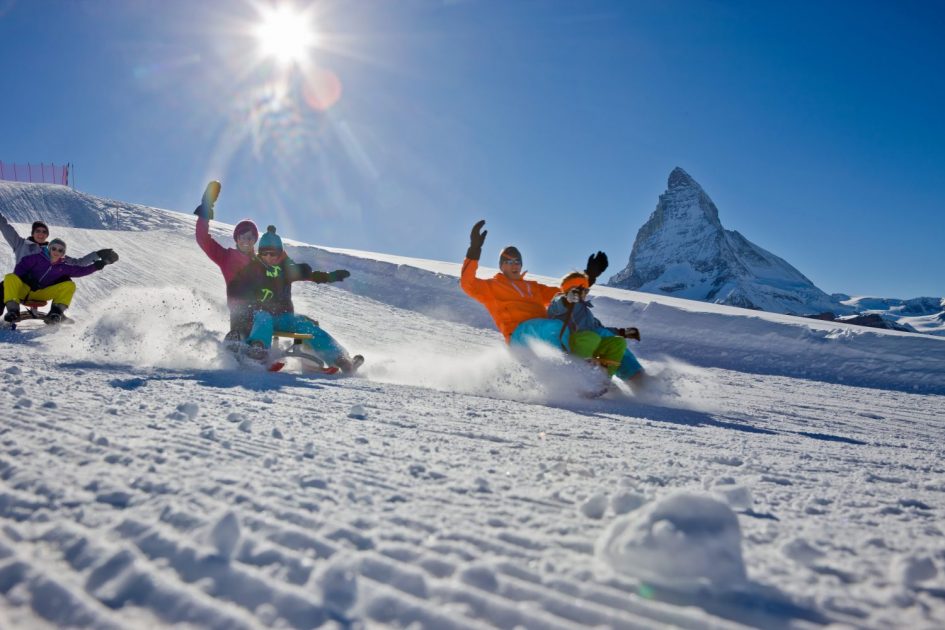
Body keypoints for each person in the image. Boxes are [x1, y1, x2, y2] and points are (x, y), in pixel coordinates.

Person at [459, 219, 610, 348]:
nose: (514, 265)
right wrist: (474, 250)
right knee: (556, 327)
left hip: (543, 332)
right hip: (519, 334)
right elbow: (468, 284)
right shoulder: (492, 286)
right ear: (501, 266)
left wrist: (588, 277)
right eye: (509, 261)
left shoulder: (534, 287)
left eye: (517, 261)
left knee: (600, 337)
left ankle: (626, 377)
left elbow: (564, 294)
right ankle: (569, 368)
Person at [237, 225, 363, 374]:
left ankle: (341, 359)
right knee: (264, 318)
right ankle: (258, 352)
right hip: (259, 316)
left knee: (305, 325)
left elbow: (307, 274)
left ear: (280, 255)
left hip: (283, 317)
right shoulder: (253, 268)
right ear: (260, 253)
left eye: (274, 254)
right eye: (266, 254)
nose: (270, 257)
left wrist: (330, 276)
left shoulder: (285, 270)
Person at [0, 212, 118, 306]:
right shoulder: (20, 244)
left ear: (47, 235)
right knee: (4, 285)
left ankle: (56, 312)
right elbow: (5, 227)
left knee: (65, 278)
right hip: (23, 283)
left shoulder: (54, 252)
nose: (41, 234)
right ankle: (11, 310)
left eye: (44, 232)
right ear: (33, 232)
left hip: (43, 287)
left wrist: (98, 254)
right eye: (38, 231)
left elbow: (78, 263)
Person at [547, 271, 644, 382]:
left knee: (618, 342)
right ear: (571, 289)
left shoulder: (585, 311)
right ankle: (582, 377)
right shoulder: (559, 301)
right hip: (571, 343)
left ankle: (604, 379)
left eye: (587, 290)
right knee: (591, 337)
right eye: (584, 290)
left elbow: (598, 329)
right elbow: (555, 308)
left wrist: (622, 332)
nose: (586, 293)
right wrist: (566, 298)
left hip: (590, 342)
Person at [193, 194, 259, 341]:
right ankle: (234, 344)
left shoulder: (261, 262)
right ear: (237, 239)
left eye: (250, 238)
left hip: (261, 311)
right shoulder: (227, 257)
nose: (246, 241)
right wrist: (205, 209)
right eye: (242, 237)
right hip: (239, 310)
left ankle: (263, 352)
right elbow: (203, 239)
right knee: (242, 323)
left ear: (254, 240)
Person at [3, 238, 115, 324]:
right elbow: (20, 268)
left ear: (63, 253)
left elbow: (81, 270)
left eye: (60, 250)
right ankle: (13, 311)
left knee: (69, 285)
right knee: (10, 277)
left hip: (43, 293)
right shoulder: (36, 257)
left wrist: (100, 264)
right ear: (49, 248)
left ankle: (55, 313)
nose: (57, 251)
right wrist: (28, 279)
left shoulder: (64, 266)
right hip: (25, 290)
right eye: (54, 248)